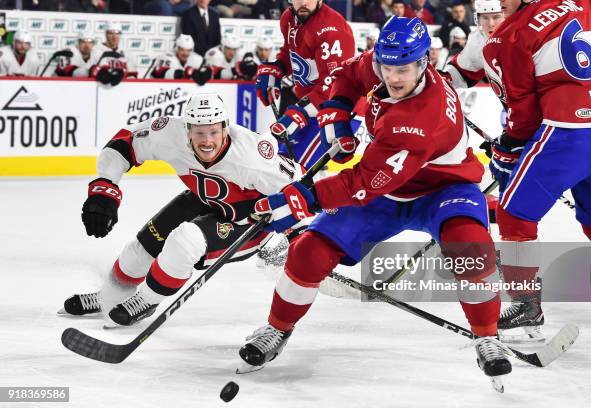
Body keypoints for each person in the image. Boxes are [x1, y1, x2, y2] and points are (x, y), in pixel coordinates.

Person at [239, 17, 512, 390]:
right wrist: (336, 113)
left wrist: (307, 197)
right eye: (387, 67)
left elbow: (363, 183)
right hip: (386, 189)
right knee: (307, 252)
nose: (393, 77)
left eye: (403, 70)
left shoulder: (419, 119)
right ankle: (276, 328)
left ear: (424, 63)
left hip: (444, 190)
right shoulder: (384, 62)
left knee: (472, 249)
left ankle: (486, 335)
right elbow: (349, 75)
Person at [59, 93, 304, 327]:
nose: (207, 141)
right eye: (199, 132)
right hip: (203, 199)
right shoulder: (169, 133)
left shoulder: (252, 156)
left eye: (213, 131)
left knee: (185, 241)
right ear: (186, 130)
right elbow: (125, 143)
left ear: (225, 128)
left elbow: (299, 191)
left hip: (246, 221)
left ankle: (146, 300)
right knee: (141, 247)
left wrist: (297, 235)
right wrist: (105, 188)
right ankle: (109, 297)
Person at [482, 0, 591, 342]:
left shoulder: (507, 35)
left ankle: (525, 303)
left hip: (567, 134)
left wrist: (509, 144)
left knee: (513, 214)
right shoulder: (588, 3)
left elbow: (522, 111)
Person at [254, 0, 356, 169]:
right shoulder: (288, 18)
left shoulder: (331, 29)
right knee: (280, 162)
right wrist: (278, 68)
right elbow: (289, 51)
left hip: (339, 109)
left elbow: (336, 84)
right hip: (312, 105)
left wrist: (300, 111)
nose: (303, 2)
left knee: (295, 169)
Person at [443, 0, 504, 88]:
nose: (491, 24)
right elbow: (459, 73)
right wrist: (439, 81)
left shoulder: (522, 35)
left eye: (496, 17)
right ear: (478, 19)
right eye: (485, 18)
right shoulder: (478, 41)